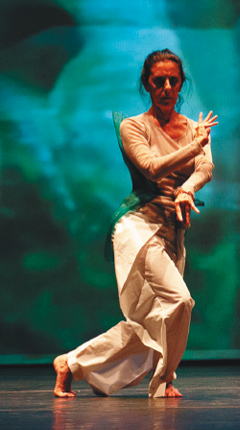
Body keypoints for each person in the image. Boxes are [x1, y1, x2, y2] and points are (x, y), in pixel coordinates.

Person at [53, 49, 218, 398]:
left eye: (173, 81)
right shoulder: (133, 127)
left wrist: (187, 190)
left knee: (147, 324)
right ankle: (164, 381)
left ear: (181, 84)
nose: (167, 87)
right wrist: (194, 147)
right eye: (159, 81)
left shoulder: (193, 128)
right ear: (147, 84)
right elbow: (153, 167)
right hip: (138, 230)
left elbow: (205, 167)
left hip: (173, 233)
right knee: (180, 302)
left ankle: (70, 363)